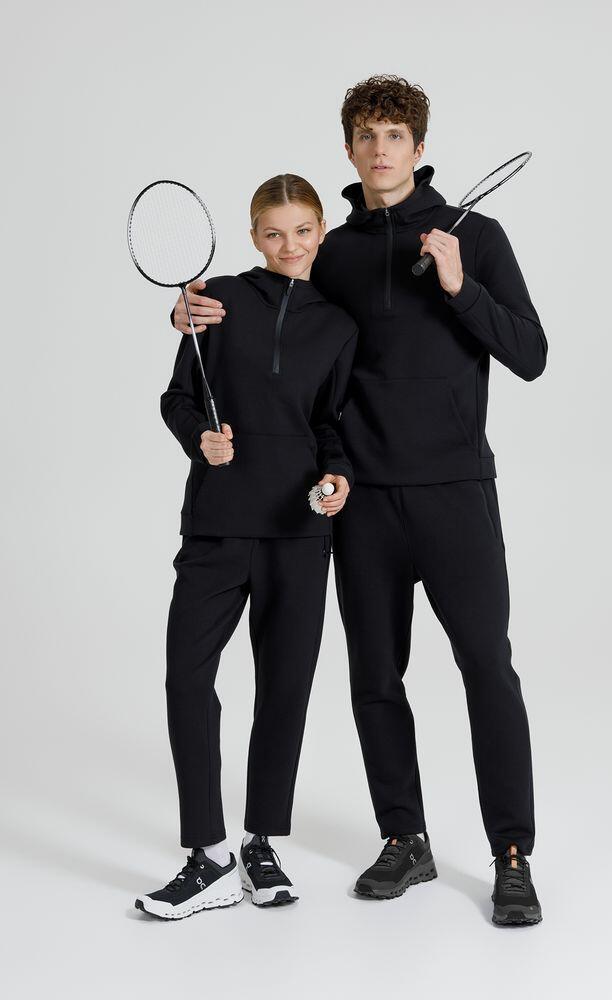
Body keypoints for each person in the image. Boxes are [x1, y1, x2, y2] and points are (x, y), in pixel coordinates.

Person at [170, 75, 546, 926]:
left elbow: (530, 355)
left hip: (454, 490)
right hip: (360, 498)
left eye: (394, 135)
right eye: (366, 135)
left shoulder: (475, 237)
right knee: (375, 677)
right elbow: (284, 322)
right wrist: (194, 319)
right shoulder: (332, 251)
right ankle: (404, 838)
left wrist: (460, 287)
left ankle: (511, 854)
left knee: (485, 666)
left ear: (418, 147)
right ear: (348, 149)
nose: (380, 149)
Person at [135, 174, 357, 920]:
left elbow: (331, 422)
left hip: (299, 531)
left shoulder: (339, 324)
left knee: (284, 688)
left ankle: (262, 843)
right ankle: (207, 856)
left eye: (302, 231)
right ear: (254, 236)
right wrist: (199, 438)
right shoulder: (218, 300)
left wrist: (336, 475)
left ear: (320, 232)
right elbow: (178, 397)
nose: (289, 246)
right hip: (218, 526)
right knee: (186, 678)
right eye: (273, 232)